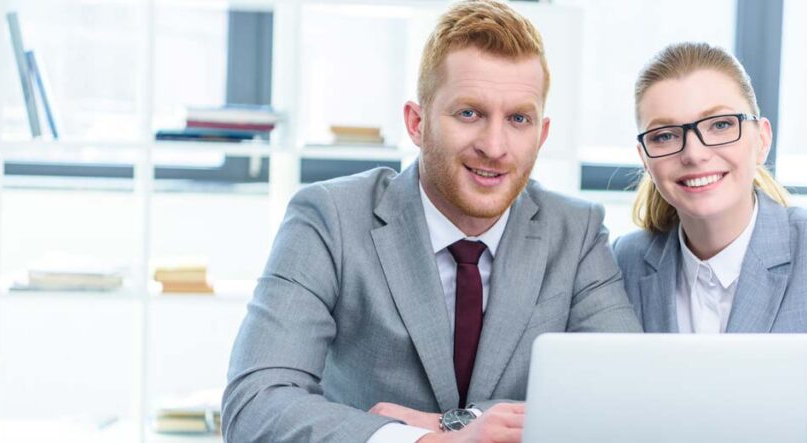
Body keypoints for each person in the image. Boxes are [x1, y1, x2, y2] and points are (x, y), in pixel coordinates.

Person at [222, 1, 642, 442]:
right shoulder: (329, 219)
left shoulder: (576, 233)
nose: (495, 146)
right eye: (469, 114)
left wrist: (454, 424)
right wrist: (423, 441)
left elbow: (623, 400)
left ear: (542, 133)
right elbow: (256, 404)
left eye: (519, 119)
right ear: (417, 123)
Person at [612, 42, 807, 442]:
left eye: (720, 125)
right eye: (666, 135)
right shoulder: (625, 262)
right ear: (645, 157)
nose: (694, 153)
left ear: (761, 139)